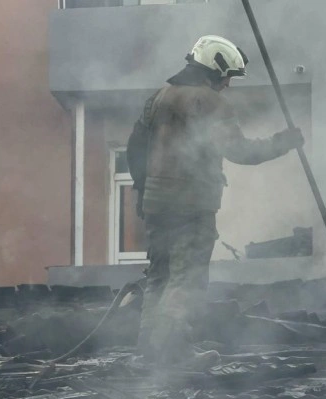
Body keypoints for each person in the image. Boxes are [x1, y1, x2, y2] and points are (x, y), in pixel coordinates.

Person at [127, 35, 304, 367]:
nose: (228, 85)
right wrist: (284, 142)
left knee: (159, 277)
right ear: (214, 69)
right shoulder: (210, 103)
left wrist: (142, 190)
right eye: (228, 77)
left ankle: (147, 353)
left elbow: (135, 148)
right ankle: (174, 352)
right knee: (187, 279)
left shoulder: (158, 98)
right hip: (192, 206)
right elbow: (240, 151)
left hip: (156, 206)